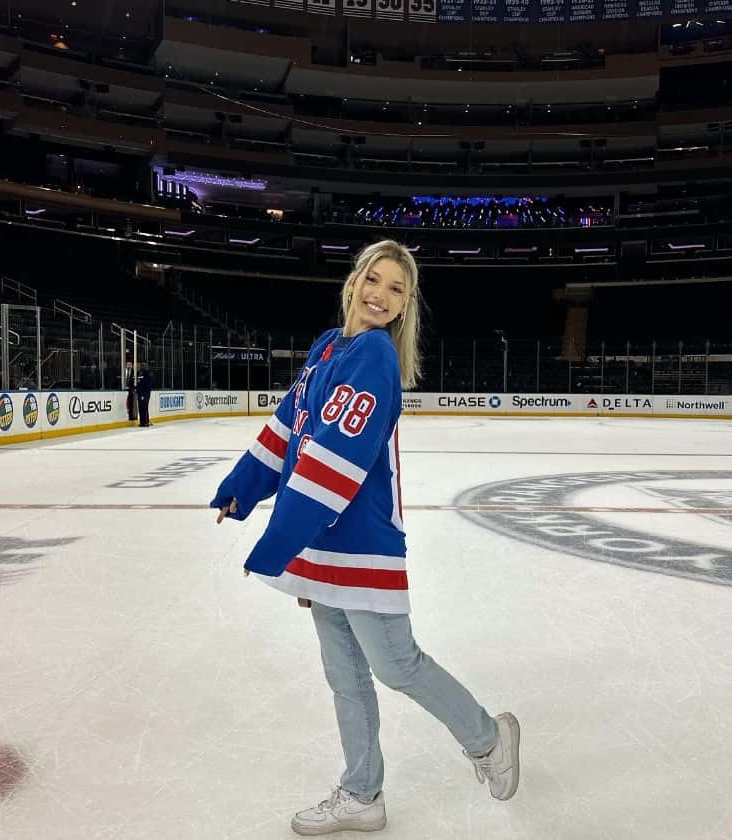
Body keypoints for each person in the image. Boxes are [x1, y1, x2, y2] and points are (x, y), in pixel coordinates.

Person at [211, 240, 519, 836]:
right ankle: (362, 793)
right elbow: (287, 431)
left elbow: (334, 462)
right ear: (354, 282)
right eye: (373, 280)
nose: (381, 294)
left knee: (396, 665)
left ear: (404, 308)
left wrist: (279, 543)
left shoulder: (374, 357)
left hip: (361, 539)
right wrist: (241, 488)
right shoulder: (329, 347)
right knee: (344, 675)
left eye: (396, 288)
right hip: (322, 540)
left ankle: (488, 738)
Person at [136, 363, 152, 427]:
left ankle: (146, 422)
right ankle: (142, 422)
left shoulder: (148, 373)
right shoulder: (139, 373)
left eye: (144, 365)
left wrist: (144, 393)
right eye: (142, 365)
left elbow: (148, 385)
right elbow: (138, 383)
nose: (142, 366)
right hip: (140, 393)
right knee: (140, 407)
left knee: (144, 407)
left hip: (145, 393)